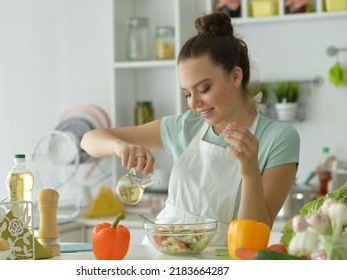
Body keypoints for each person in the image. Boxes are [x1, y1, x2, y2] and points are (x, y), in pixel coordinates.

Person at [81, 12, 300, 246]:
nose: (193, 104)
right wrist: (120, 145)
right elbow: (88, 141)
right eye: (187, 93)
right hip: (161, 256)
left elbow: (254, 240)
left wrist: (249, 172)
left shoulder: (278, 138)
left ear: (235, 76)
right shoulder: (185, 126)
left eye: (204, 89)